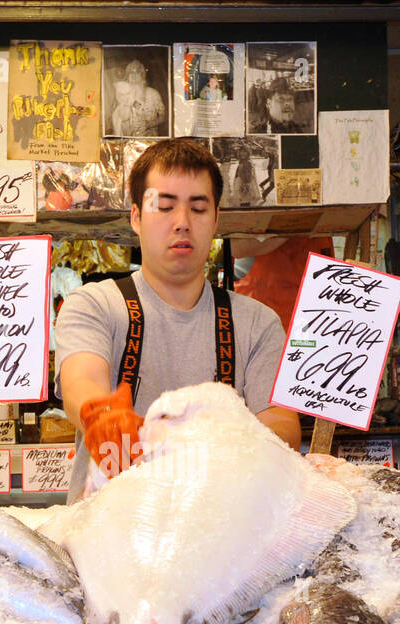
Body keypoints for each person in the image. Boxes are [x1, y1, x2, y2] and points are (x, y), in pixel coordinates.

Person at [55, 138, 301, 503]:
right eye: (164, 206)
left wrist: (220, 453)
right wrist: (99, 415)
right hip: (107, 537)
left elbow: (280, 422)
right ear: (136, 216)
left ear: (216, 219)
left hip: (220, 531)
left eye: (198, 209)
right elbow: (82, 381)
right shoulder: (94, 304)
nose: (182, 223)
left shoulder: (258, 323)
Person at [110, 59, 166, 138]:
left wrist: (148, 124)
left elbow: (163, 116)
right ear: (127, 76)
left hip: (150, 138)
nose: (134, 75)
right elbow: (116, 118)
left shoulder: (153, 93)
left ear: (142, 75)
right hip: (128, 139)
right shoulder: (122, 94)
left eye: (137, 72)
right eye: (131, 73)